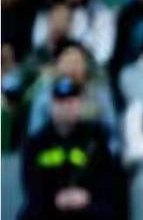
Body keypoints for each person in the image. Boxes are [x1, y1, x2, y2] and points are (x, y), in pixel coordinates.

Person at [21, 77, 116, 220]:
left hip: (87, 207)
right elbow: (31, 185)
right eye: (61, 102)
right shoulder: (36, 143)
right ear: (51, 105)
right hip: (49, 208)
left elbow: (107, 179)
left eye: (71, 101)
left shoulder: (95, 138)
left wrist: (85, 196)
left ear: (79, 103)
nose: (66, 107)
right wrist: (55, 198)